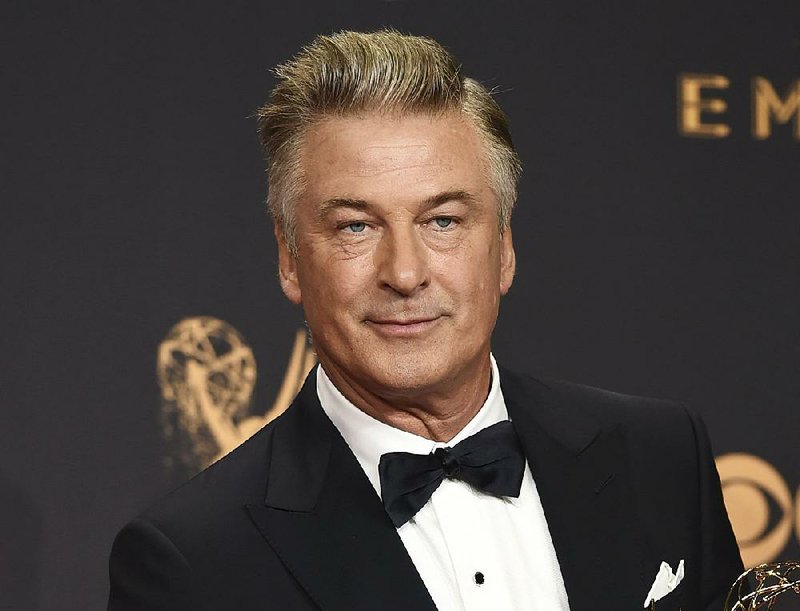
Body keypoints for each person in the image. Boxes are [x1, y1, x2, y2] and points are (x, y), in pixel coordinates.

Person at [107, 30, 743, 610]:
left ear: (504, 247)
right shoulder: (192, 561)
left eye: (443, 221)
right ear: (290, 259)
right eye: (355, 227)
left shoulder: (660, 456)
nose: (405, 274)